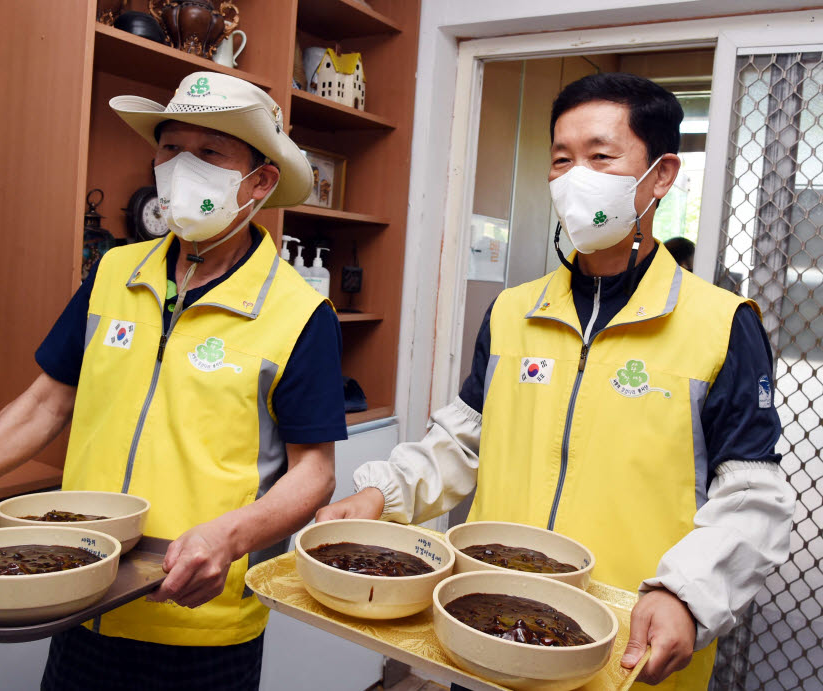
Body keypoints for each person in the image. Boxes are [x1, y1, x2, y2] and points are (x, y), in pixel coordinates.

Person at [318, 73, 795, 690]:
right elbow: (465, 442)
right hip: (488, 628)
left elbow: (752, 500)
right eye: (562, 160)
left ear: (662, 174)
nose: (576, 178)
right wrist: (383, 494)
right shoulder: (514, 310)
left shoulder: (721, 325)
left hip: (624, 647)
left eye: (601, 156)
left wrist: (686, 595)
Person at [0, 72, 347, 690]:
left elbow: (314, 470)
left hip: (196, 618)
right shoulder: (113, 273)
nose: (183, 167)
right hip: (80, 588)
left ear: (258, 182)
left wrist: (228, 538)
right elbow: (48, 400)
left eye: (210, 153)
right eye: (171, 148)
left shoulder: (300, 313)